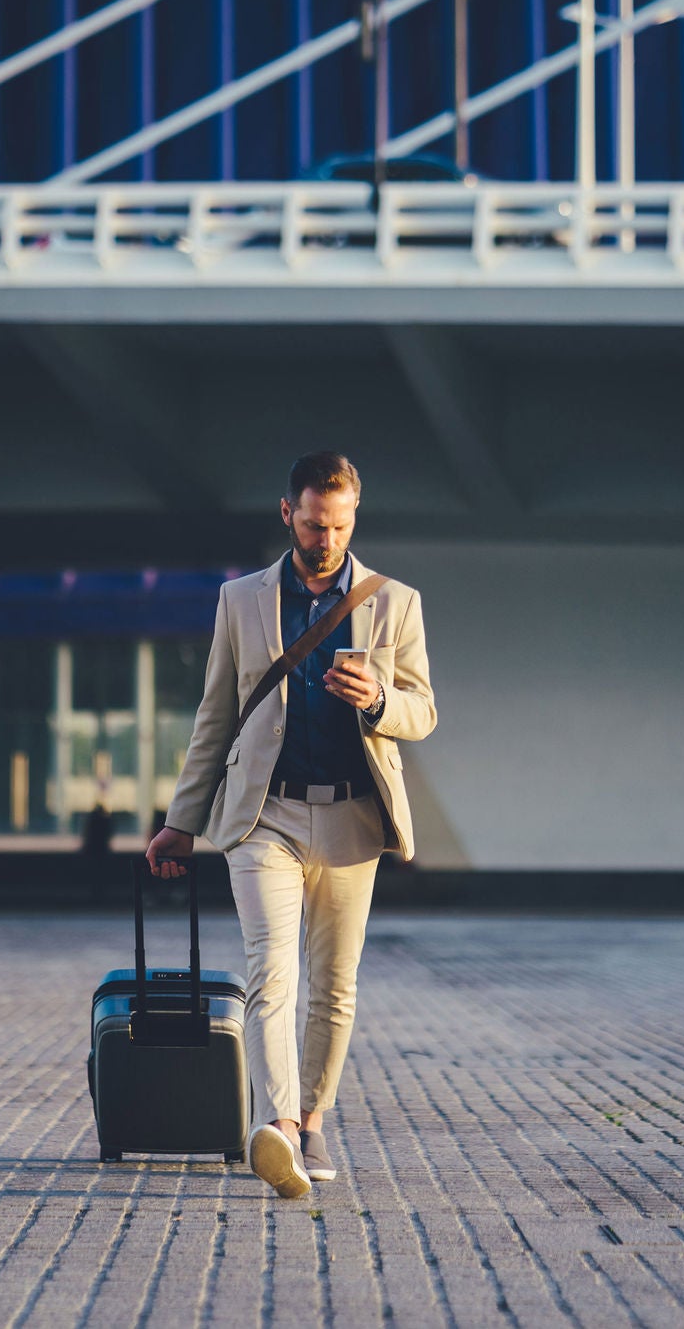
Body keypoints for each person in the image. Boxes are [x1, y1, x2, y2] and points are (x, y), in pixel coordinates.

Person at [145, 451, 437, 1199]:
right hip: (263, 812)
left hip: (351, 817)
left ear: (353, 518)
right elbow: (217, 715)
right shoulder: (241, 599)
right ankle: (275, 1125)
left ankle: (312, 1116)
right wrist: (183, 821)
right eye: (312, 524)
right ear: (287, 514)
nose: (325, 539)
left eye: (338, 525)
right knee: (272, 968)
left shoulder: (395, 602)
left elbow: (423, 711)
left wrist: (376, 699)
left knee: (334, 985)